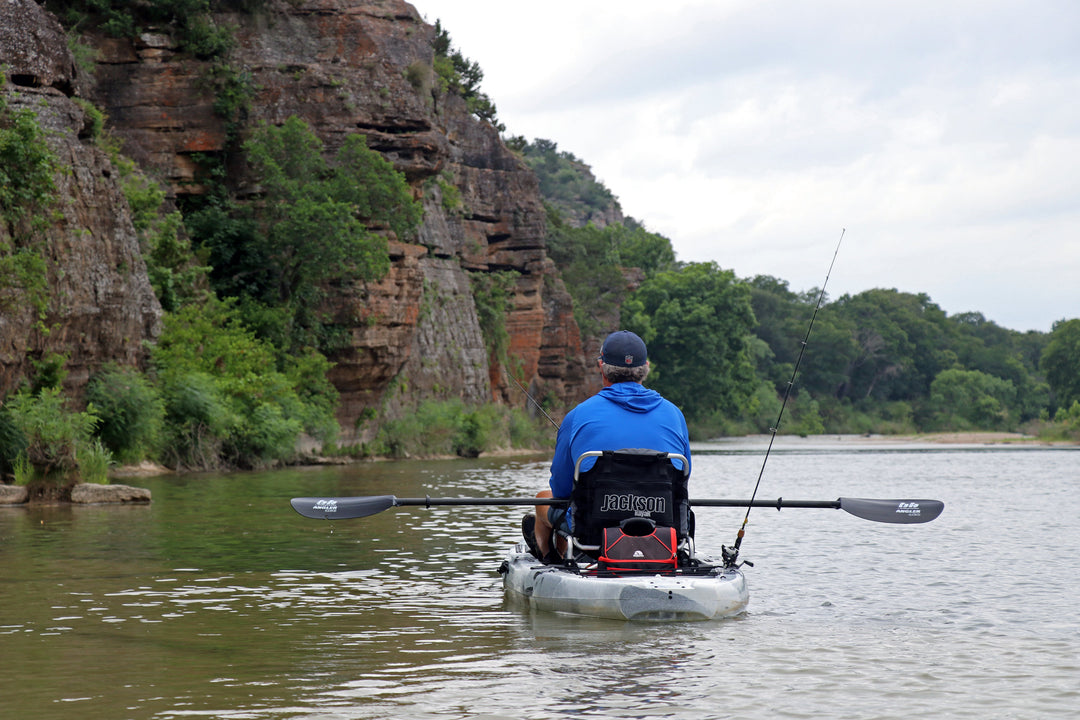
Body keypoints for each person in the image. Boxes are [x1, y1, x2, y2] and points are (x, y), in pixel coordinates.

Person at [527, 330, 691, 560]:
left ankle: (551, 559)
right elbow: (682, 480)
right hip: (662, 532)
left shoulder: (577, 416)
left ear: (601, 367)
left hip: (592, 536)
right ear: (646, 368)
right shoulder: (675, 415)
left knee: (543, 498)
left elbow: (562, 489)